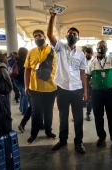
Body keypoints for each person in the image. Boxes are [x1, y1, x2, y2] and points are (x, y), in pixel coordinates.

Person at [47, 9, 88, 154]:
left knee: (78, 118)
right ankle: (63, 140)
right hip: (63, 88)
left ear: (78, 38)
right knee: (63, 117)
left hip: (77, 89)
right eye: (70, 33)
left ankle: (79, 142)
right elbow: (49, 35)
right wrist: (52, 18)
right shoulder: (60, 48)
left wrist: (85, 92)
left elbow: (83, 73)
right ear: (66, 36)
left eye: (75, 34)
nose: (72, 35)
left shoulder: (81, 54)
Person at [22, 30, 57, 144]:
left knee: (48, 112)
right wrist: (26, 86)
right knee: (36, 112)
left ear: (44, 37)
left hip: (50, 88)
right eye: (35, 36)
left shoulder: (53, 52)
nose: (37, 38)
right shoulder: (31, 52)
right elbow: (27, 70)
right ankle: (33, 134)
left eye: (39, 36)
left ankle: (48, 131)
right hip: (35, 89)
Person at [86, 40, 112, 149]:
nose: (102, 47)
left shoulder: (111, 59)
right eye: (100, 45)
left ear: (106, 48)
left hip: (109, 94)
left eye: (104, 46)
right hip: (96, 94)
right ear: (96, 48)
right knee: (98, 117)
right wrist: (86, 92)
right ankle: (101, 137)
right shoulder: (92, 62)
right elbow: (87, 77)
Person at [12, 48, 29, 115]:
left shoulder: (15, 59)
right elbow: (24, 72)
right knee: (25, 95)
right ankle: (24, 110)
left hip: (16, 80)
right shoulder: (25, 60)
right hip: (22, 80)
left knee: (22, 93)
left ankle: (21, 108)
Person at [84, 47, 94, 121]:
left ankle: (88, 114)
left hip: (90, 82)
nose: (88, 55)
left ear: (92, 54)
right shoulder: (82, 60)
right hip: (80, 82)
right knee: (78, 99)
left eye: (89, 54)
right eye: (87, 53)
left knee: (89, 99)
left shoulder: (94, 61)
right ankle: (77, 115)